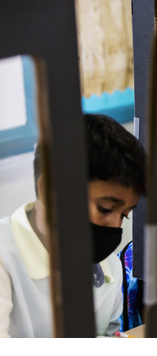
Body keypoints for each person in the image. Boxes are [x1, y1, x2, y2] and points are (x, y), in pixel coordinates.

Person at [0, 114, 145, 337]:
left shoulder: (109, 269)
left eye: (124, 215)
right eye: (105, 208)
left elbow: (107, 336)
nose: (115, 226)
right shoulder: (5, 261)